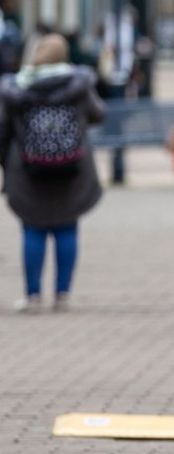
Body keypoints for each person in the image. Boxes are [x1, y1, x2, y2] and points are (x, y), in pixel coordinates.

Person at [0, 34, 104, 313]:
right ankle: (63, 294)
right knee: (66, 228)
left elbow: (3, 128)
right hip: (71, 169)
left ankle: (33, 295)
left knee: (32, 228)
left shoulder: (16, 87)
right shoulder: (78, 84)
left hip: (27, 170)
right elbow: (98, 113)